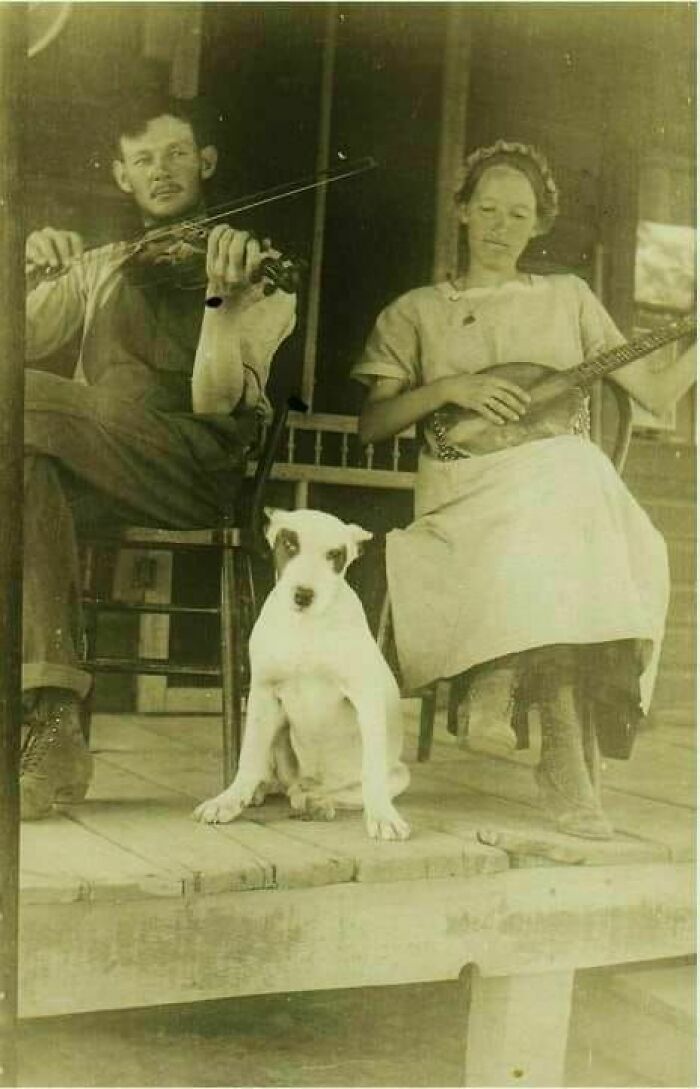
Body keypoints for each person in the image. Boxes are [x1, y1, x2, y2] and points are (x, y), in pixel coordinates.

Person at [352, 139, 695, 840]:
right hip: (464, 492)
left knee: (582, 489)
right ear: (462, 211)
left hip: (558, 496)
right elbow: (372, 423)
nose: (503, 225)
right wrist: (452, 387)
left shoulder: (569, 299)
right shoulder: (416, 310)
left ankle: (504, 681)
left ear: (539, 222)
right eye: (489, 208)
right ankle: (564, 765)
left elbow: (658, 392)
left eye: (520, 212)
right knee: (579, 484)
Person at [20, 95, 296, 820]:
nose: (162, 169)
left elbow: (215, 401)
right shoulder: (99, 266)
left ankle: (45, 722)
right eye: (144, 158)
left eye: (177, 153)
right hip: (97, 464)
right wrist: (26, 262)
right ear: (120, 175)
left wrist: (220, 298)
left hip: (192, 468)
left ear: (205, 161)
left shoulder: (254, 267)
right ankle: (51, 723)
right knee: (20, 471)